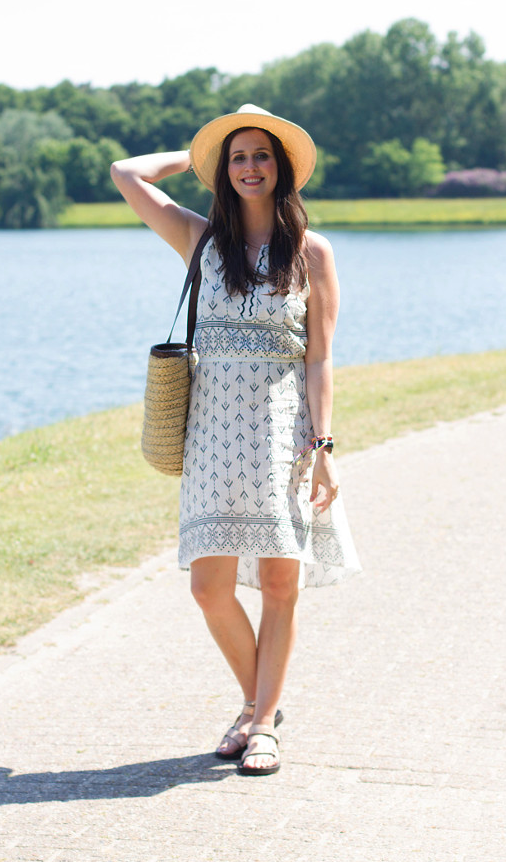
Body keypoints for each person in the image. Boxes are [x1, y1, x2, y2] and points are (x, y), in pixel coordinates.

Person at [110, 104, 360, 776]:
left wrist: (325, 448)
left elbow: (320, 356)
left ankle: (262, 727)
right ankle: (260, 704)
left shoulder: (313, 252)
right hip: (212, 435)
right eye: (238, 156)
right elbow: (125, 173)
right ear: (225, 170)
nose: (251, 166)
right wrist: (191, 155)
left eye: (262, 155)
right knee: (209, 587)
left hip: (283, 432)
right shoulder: (201, 241)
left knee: (281, 582)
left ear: (281, 168)